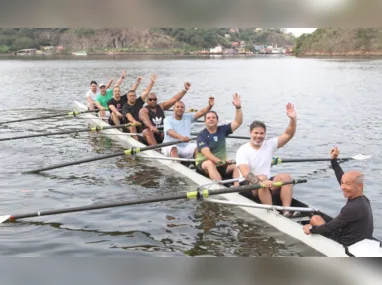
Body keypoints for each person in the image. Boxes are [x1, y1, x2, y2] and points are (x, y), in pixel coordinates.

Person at [303, 146, 374, 246]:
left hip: (345, 244)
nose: (343, 187)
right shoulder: (363, 199)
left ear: (359, 186)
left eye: (347, 184)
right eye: (342, 183)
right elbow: (342, 177)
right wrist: (334, 161)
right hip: (361, 240)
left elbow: (329, 227)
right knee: (322, 218)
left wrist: (311, 229)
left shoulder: (352, 208)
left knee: (315, 219)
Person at [235, 102, 297, 216]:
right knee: (262, 179)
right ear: (250, 133)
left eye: (261, 133)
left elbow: (288, 134)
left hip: (266, 182)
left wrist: (293, 119)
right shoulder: (242, 150)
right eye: (256, 133)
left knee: (286, 177)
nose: (259, 136)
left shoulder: (269, 145)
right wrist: (262, 181)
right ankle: (272, 213)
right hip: (247, 186)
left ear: (265, 134)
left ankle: (286, 211)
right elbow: (245, 173)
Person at [195, 93, 243, 183]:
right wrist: (220, 162)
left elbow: (238, 122)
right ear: (205, 121)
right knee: (210, 163)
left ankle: (238, 189)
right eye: (208, 118)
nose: (211, 119)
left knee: (236, 165)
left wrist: (238, 107)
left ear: (217, 120)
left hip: (221, 164)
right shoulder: (201, 135)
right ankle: (219, 187)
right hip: (204, 165)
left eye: (213, 117)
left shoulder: (223, 129)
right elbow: (207, 154)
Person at [121, 74, 156, 140]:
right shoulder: (125, 107)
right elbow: (129, 117)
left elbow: (146, 92)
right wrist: (134, 121)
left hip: (140, 124)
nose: (132, 97)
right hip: (128, 125)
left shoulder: (139, 101)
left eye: (134, 96)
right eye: (130, 96)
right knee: (132, 125)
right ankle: (136, 141)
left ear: (136, 96)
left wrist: (152, 83)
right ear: (127, 97)